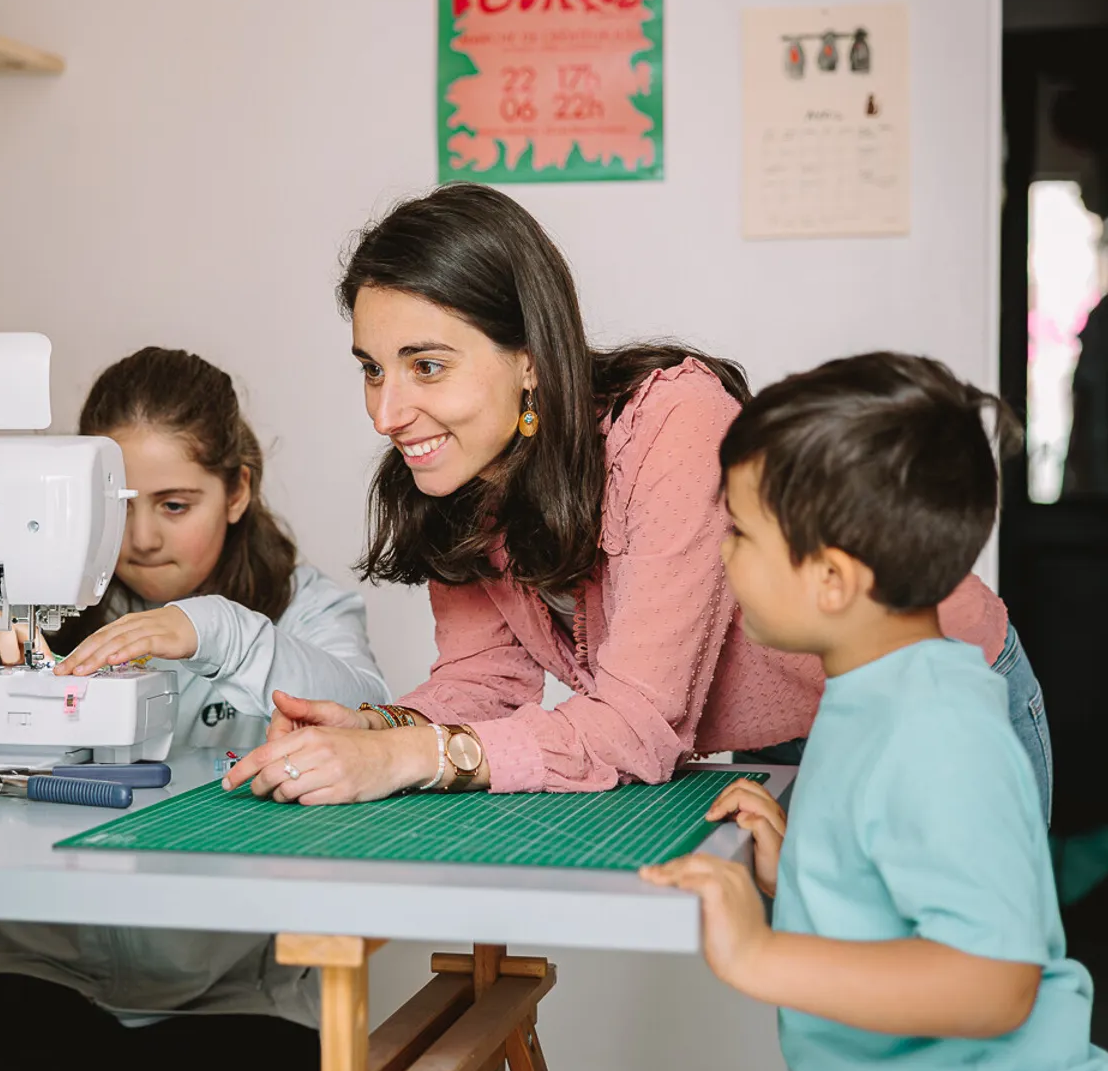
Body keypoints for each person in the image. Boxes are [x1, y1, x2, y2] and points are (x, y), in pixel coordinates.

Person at [225, 185, 1052, 816]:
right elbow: (485, 680)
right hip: (777, 737)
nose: (386, 412)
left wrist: (421, 758)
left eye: (426, 366)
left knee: (948, 1006)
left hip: (931, 698)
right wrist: (379, 731)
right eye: (372, 368)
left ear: (530, 359)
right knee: (841, 1018)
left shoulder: (674, 424)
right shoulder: (460, 472)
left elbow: (637, 725)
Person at [0, 346, 389, 1071]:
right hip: (48, 979)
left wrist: (222, 630)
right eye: (118, 505)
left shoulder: (309, 611)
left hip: (238, 1002)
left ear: (239, 490)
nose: (145, 537)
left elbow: (369, 710)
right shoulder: (42, 599)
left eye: (176, 503)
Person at [641, 352, 1108, 1071]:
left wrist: (762, 952)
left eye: (740, 531)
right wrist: (800, 871)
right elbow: (910, 887)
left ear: (832, 579)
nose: (720, 554)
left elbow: (993, 982)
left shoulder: (937, 732)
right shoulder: (875, 692)